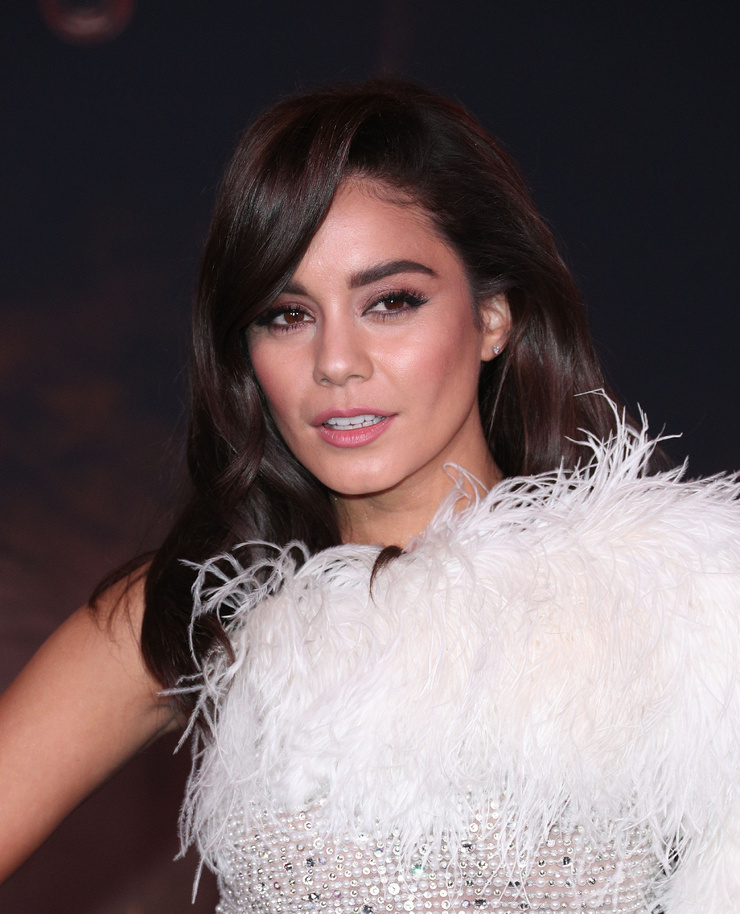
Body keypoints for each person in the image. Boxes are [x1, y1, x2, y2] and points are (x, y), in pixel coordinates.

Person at [1, 78, 739, 913]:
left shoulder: (683, 596)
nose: (336, 362)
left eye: (391, 302)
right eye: (286, 315)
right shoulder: (193, 610)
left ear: (493, 316)